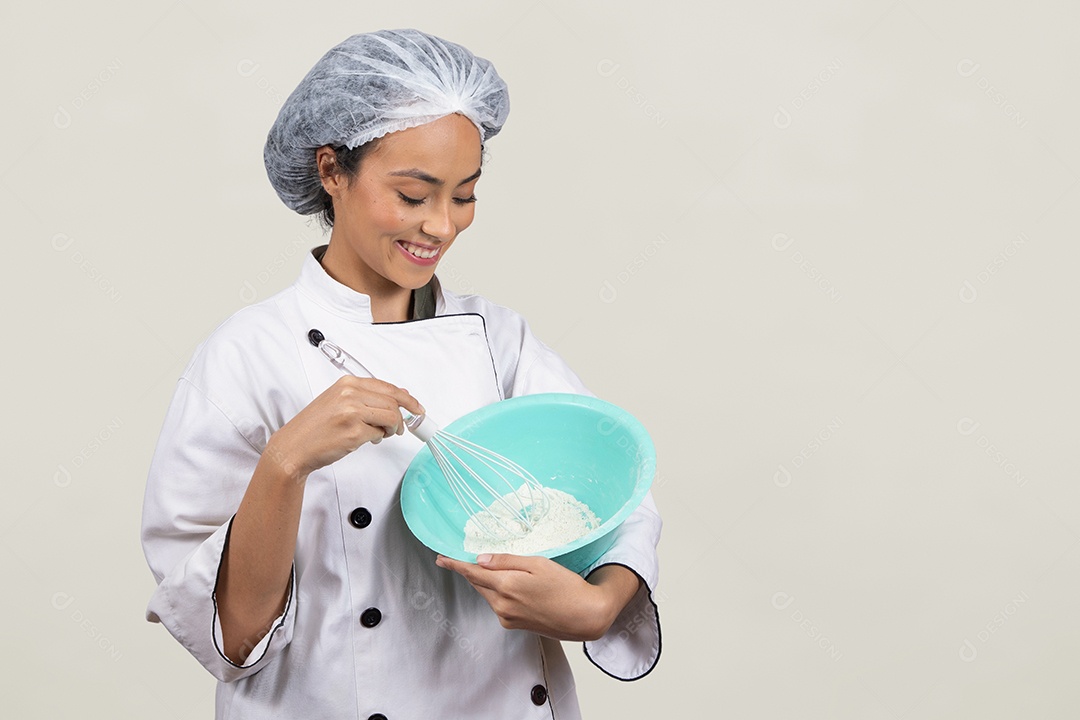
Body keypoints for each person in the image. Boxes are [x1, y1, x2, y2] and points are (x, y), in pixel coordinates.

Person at [141, 28, 662, 719]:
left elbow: (616, 480)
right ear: (331, 170)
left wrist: (601, 603)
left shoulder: (499, 340)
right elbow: (233, 634)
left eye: (465, 195)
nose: (442, 227)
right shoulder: (248, 355)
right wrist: (286, 462)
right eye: (414, 196)